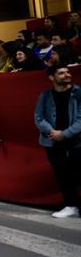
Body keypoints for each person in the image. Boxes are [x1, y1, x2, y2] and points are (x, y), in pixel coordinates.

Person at [34, 65, 81, 218]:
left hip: (76, 140)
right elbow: (39, 117)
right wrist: (52, 132)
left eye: (67, 72)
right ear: (51, 78)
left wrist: (65, 134)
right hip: (52, 141)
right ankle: (71, 205)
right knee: (62, 174)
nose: (66, 75)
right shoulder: (46, 95)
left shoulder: (78, 92)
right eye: (61, 73)